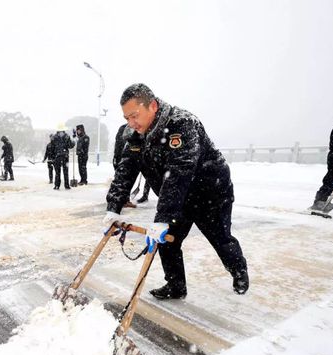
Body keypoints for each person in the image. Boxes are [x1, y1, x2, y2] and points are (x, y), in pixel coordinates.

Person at [104, 83, 248, 299]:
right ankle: (176, 286)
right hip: (177, 197)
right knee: (167, 241)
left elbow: (179, 174)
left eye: (134, 116)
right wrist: (113, 208)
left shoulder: (182, 124)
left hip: (209, 192)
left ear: (152, 106)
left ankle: (238, 270)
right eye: (126, 118)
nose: (131, 123)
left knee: (220, 237)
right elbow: (126, 169)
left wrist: (162, 217)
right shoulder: (134, 134)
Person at [50, 123, 75, 190]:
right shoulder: (67, 136)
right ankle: (66, 185)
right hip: (65, 156)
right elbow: (70, 146)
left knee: (57, 172)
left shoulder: (54, 137)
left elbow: (51, 148)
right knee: (65, 172)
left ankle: (57, 185)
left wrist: (52, 157)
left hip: (57, 156)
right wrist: (73, 141)